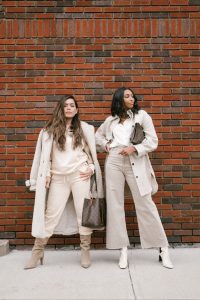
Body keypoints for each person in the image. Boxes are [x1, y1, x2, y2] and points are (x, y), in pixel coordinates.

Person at [95, 87, 174, 269]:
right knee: (115, 205)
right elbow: (97, 137)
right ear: (119, 100)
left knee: (145, 203)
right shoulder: (111, 121)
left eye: (132, 96)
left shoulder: (142, 116)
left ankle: (163, 248)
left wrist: (134, 148)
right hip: (114, 160)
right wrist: (107, 146)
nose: (132, 98)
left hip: (135, 160)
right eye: (127, 96)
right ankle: (122, 249)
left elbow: (152, 141)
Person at [24, 95, 104, 270]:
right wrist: (43, 173)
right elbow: (42, 157)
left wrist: (91, 167)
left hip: (79, 175)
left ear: (76, 109)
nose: (69, 108)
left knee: (83, 214)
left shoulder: (85, 129)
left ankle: (85, 251)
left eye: (72, 105)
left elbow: (91, 153)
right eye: (65, 105)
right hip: (58, 178)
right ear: (61, 109)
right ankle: (37, 252)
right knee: (50, 215)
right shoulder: (48, 131)